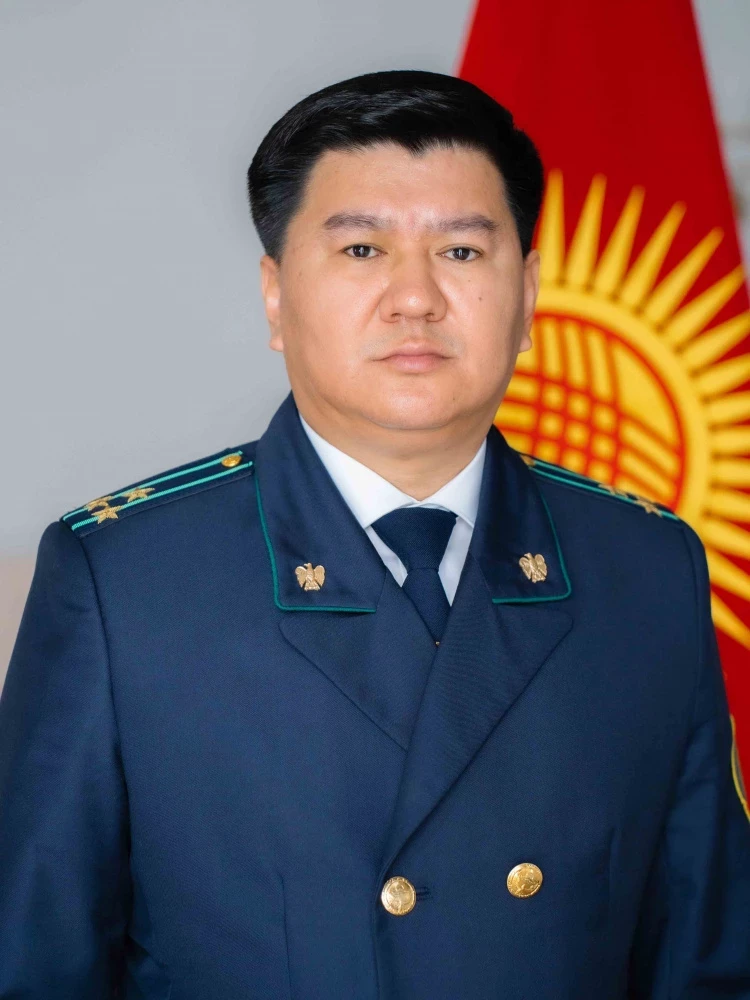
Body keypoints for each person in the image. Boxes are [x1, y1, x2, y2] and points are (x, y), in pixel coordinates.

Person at [0, 68, 748, 1000]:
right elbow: (36, 966)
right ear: (276, 296)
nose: (415, 297)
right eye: (361, 249)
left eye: (462, 252)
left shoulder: (643, 567)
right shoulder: (125, 579)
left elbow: (710, 961)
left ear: (527, 296)